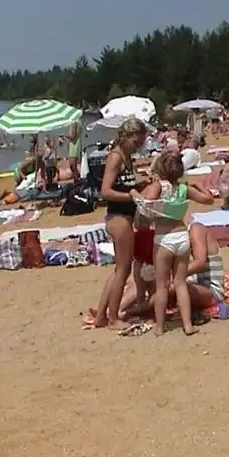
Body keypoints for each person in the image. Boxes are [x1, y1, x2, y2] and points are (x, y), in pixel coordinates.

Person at [134, 153, 214, 336]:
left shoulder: (158, 186)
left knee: (162, 285)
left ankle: (160, 326)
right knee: (180, 283)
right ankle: (187, 325)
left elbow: (146, 205)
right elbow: (208, 200)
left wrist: (135, 194)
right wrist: (201, 186)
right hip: (182, 236)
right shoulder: (184, 188)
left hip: (164, 238)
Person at [95, 118, 148, 329]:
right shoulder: (116, 156)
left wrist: (138, 184)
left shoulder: (126, 156)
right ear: (125, 137)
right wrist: (132, 196)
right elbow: (105, 191)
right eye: (136, 142)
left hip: (124, 217)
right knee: (123, 270)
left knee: (119, 269)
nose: (138, 147)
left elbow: (123, 184)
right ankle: (113, 318)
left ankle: (101, 316)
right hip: (118, 217)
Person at [119, 222, 225, 319]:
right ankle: (117, 309)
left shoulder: (196, 229)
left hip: (210, 290)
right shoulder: (175, 239)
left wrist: (169, 275)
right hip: (184, 283)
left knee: (170, 287)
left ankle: (133, 311)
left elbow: (199, 262)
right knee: (139, 277)